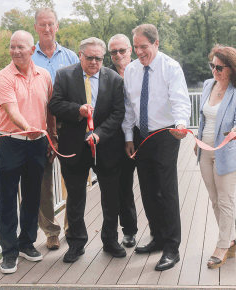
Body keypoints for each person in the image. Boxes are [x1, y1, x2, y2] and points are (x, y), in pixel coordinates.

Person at [48, 37, 126, 263]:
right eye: (90, 57)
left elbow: (118, 113)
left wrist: (99, 133)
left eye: (99, 58)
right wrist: (77, 110)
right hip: (74, 146)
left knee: (111, 197)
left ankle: (111, 241)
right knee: (75, 197)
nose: (94, 62)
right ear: (80, 55)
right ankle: (76, 244)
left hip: (106, 145)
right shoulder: (64, 75)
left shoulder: (113, 79)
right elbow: (54, 105)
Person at [122, 24, 191, 271]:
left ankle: (172, 248)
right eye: (136, 47)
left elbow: (180, 99)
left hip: (166, 134)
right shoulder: (130, 70)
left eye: (144, 47)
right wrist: (129, 137)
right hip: (141, 136)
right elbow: (130, 107)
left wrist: (182, 124)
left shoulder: (170, 67)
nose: (139, 52)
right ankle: (158, 237)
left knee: (167, 190)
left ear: (156, 44)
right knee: (148, 190)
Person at [0, 30, 55, 274]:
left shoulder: (45, 75)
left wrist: (52, 136)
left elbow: (49, 109)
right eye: (12, 47)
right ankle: (8, 253)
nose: (16, 51)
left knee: (32, 195)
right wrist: (26, 127)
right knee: (7, 198)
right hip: (11, 141)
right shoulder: (4, 76)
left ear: (32, 50)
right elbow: (10, 109)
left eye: (21, 47)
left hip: (38, 142)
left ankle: (26, 243)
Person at [194, 45, 236, 268]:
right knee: (215, 199)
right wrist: (197, 142)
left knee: (226, 200)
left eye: (219, 67)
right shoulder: (209, 85)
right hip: (204, 150)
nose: (214, 71)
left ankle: (222, 246)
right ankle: (230, 241)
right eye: (212, 66)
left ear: (232, 69)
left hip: (226, 150)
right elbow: (204, 118)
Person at [32, 6, 80, 251]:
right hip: (39, 127)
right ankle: (50, 231)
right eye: (42, 24)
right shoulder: (28, 58)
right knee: (42, 183)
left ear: (57, 26)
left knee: (73, 177)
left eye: (51, 24)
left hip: (69, 125)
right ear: (36, 28)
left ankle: (71, 227)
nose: (47, 28)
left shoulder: (71, 57)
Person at [107, 34, 138, 248]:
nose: (118, 55)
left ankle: (160, 231)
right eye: (113, 52)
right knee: (123, 184)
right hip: (115, 136)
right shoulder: (106, 76)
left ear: (130, 50)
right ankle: (129, 230)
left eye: (122, 50)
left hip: (140, 133)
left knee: (150, 183)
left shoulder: (141, 71)